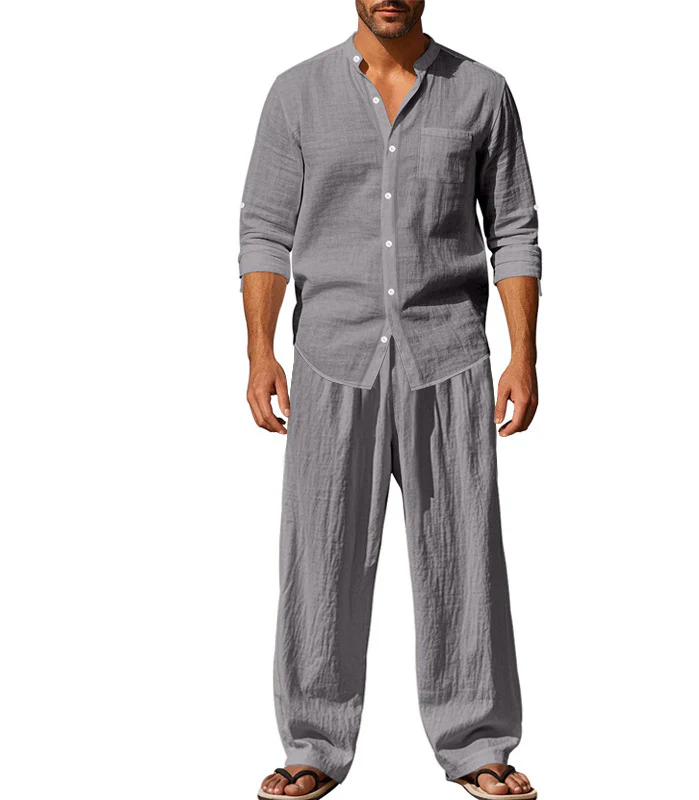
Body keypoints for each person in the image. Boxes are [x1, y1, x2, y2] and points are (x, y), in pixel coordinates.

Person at [239, 2, 541, 798]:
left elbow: (513, 228)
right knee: (319, 555)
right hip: (332, 357)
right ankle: (312, 743)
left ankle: (478, 744)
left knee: (463, 557)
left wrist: (525, 355)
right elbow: (265, 229)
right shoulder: (296, 94)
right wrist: (261, 352)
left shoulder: (482, 92)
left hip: (449, 357)